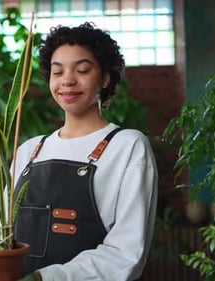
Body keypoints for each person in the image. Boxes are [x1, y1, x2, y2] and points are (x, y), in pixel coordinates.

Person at [12, 22, 158, 281]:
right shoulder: (29, 151)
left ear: (105, 78)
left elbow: (125, 253)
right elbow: (3, 235)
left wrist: (44, 278)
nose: (68, 80)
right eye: (57, 72)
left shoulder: (127, 146)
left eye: (82, 70)